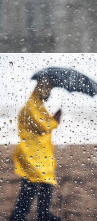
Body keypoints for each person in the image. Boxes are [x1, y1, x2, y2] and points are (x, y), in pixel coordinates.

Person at [10, 77, 62, 221]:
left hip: (38, 153)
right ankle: (23, 216)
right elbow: (43, 125)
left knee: (41, 184)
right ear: (42, 89)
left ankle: (40, 214)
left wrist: (52, 120)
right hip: (31, 154)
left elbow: (43, 123)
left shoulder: (37, 105)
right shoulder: (31, 106)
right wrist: (55, 121)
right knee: (35, 184)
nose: (49, 93)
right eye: (48, 90)